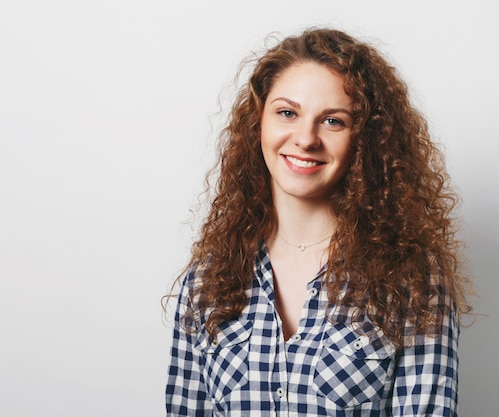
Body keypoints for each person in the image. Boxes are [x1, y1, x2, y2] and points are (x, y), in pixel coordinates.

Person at [166, 27, 473, 416]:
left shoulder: (410, 280)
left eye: (333, 121)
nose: (305, 138)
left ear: (365, 139)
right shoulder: (208, 281)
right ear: (258, 122)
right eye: (287, 113)